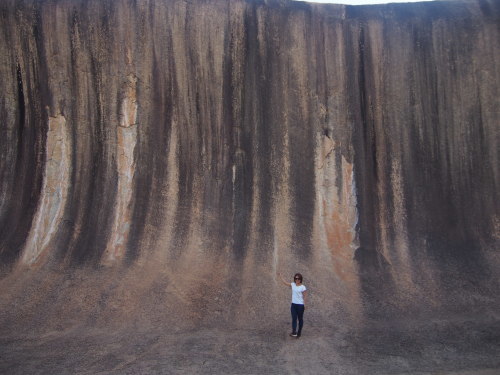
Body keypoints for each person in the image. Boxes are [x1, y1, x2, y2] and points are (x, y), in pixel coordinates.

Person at [278, 272, 307, 338]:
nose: (297, 280)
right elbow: (285, 283)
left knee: (300, 319)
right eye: (296, 278)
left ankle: (299, 332)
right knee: (294, 318)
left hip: (300, 305)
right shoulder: (293, 284)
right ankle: (294, 332)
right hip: (293, 305)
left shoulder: (303, 287)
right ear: (294, 279)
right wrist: (281, 276)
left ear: (300, 279)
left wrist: (305, 304)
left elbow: (305, 296)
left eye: (298, 278)